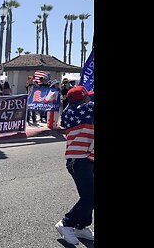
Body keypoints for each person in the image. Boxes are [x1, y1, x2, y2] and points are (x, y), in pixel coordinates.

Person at [55, 85, 94, 245]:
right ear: (84, 99)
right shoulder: (87, 109)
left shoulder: (68, 113)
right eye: (87, 97)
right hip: (80, 160)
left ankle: (81, 226)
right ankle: (66, 223)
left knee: (88, 196)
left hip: (79, 159)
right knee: (90, 196)